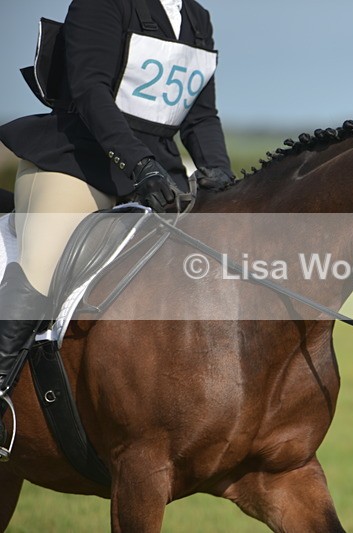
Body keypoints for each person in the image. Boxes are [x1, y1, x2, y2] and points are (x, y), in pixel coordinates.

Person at [0, 0, 233, 411]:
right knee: (41, 267)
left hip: (160, 178)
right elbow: (91, 91)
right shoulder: (102, 3)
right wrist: (139, 164)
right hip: (78, 162)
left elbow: (201, 116)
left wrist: (220, 173)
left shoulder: (197, 18)